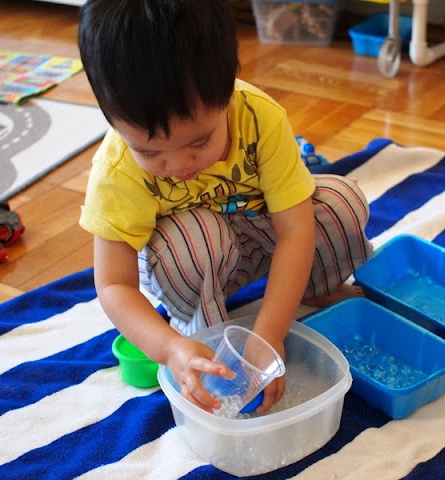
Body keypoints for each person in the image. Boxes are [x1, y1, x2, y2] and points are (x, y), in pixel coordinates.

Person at [78, 0, 373, 414]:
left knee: (340, 201)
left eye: (199, 142)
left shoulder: (260, 116)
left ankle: (314, 289)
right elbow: (113, 285)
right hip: (195, 262)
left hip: (261, 233)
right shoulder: (117, 169)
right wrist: (169, 348)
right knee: (196, 238)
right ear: (110, 117)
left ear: (228, 87)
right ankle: (203, 330)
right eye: (150, 151)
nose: (180, 165)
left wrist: (268, 334)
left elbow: (296, 230)